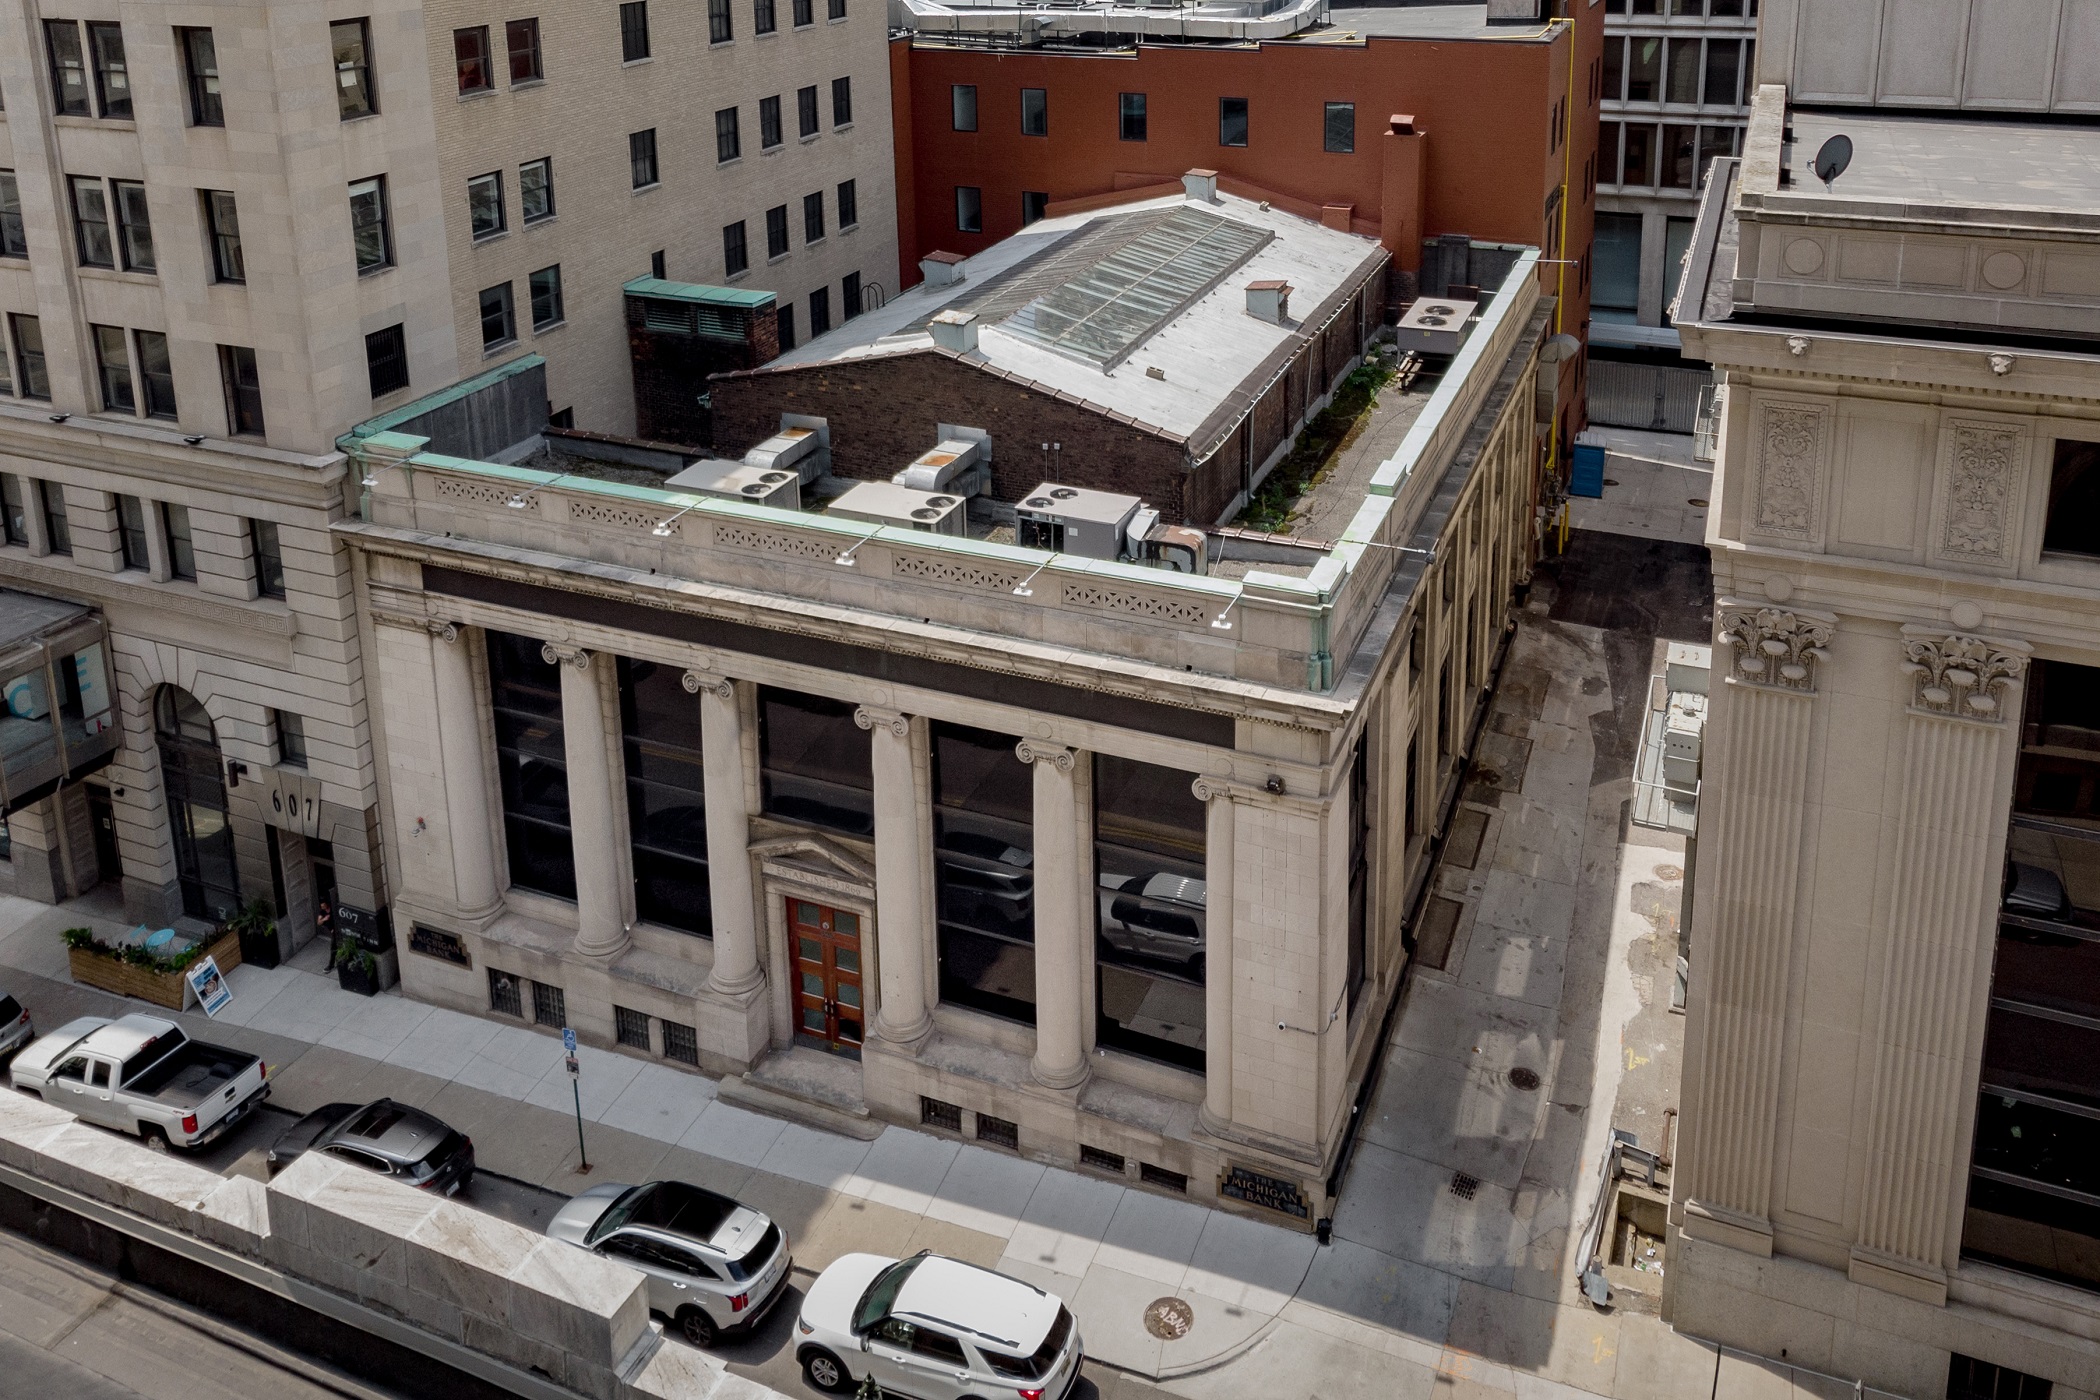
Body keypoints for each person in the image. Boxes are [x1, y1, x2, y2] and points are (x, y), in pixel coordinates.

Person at [317, 899, 337, 970]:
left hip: (336, 928)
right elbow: (319, 922)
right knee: (333, 947)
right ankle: (331, 965)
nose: (323, 907)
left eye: (324, 906)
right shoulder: (322, 912)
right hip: (332, 931)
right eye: (322, 906)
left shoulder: (332, 908)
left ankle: (331, 964)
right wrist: (324, 919)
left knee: (334, 946)